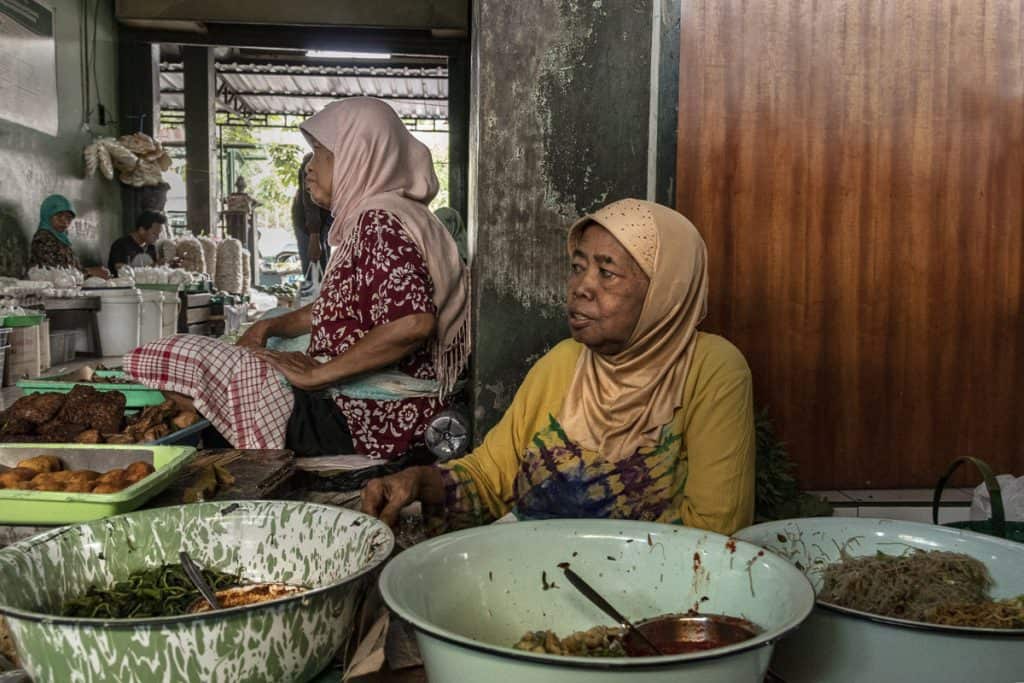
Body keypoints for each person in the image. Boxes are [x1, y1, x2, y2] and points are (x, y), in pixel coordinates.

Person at [362, 198, 755, 536]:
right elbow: (490, 478)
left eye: (607, 272)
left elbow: (715, 532)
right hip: (538, 580)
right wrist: (419, 481)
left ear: (664, 290)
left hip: (647, 601)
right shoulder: (564, 362)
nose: (581, 287)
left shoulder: (711, 370)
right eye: (578, 267)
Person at [122, 98, 470, 459]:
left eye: (321, 152)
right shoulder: (391, 217)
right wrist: (268, 329)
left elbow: (412, 323)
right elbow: (341, 307)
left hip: (366, 421)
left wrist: (318, 375)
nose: (310, 167)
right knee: (229, 363)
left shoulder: (379, 222)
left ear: (358, 157)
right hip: (370, 413)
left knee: (177, 355)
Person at [29, 194, 110, 278]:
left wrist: (91, 271)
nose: (65, 222)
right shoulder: (43, 239)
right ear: (47, 214)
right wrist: (90, 272)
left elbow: (71, 268)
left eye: (68, 218)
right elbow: (57, 274)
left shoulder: (61, 239)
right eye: (59, 216)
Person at [292, 152, 332, 275]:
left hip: (326, 219)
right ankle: (314, 289)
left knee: (325, 264)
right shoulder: (312, 163)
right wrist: (314, 236)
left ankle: (322, 288)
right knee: (312, 263)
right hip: (306, 221)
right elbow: (310, 201)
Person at [107, 210, 167, 276]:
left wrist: (159, 265)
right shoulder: (121, 245)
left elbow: (153, 271)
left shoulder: (151, 247)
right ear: (142, 230)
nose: (158, 237)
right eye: (154, 233)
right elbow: (121, 271)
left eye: (159, 233)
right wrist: (152, 267)